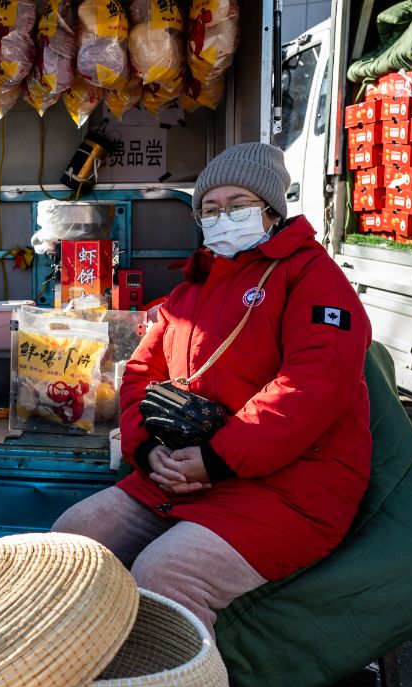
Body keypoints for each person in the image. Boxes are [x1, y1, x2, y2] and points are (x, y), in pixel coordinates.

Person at [52, 142, 372, 635]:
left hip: (286, 488)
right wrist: (146, 450)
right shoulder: (194, 284)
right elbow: (141, 372)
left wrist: (218, 458)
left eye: (239, 205)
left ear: (271, 210)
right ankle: (81, 675)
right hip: (179, 471)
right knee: (71, 537)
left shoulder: (313, 276)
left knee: (165, 575)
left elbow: (313, 385)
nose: (224, 217)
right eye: (210, 208)